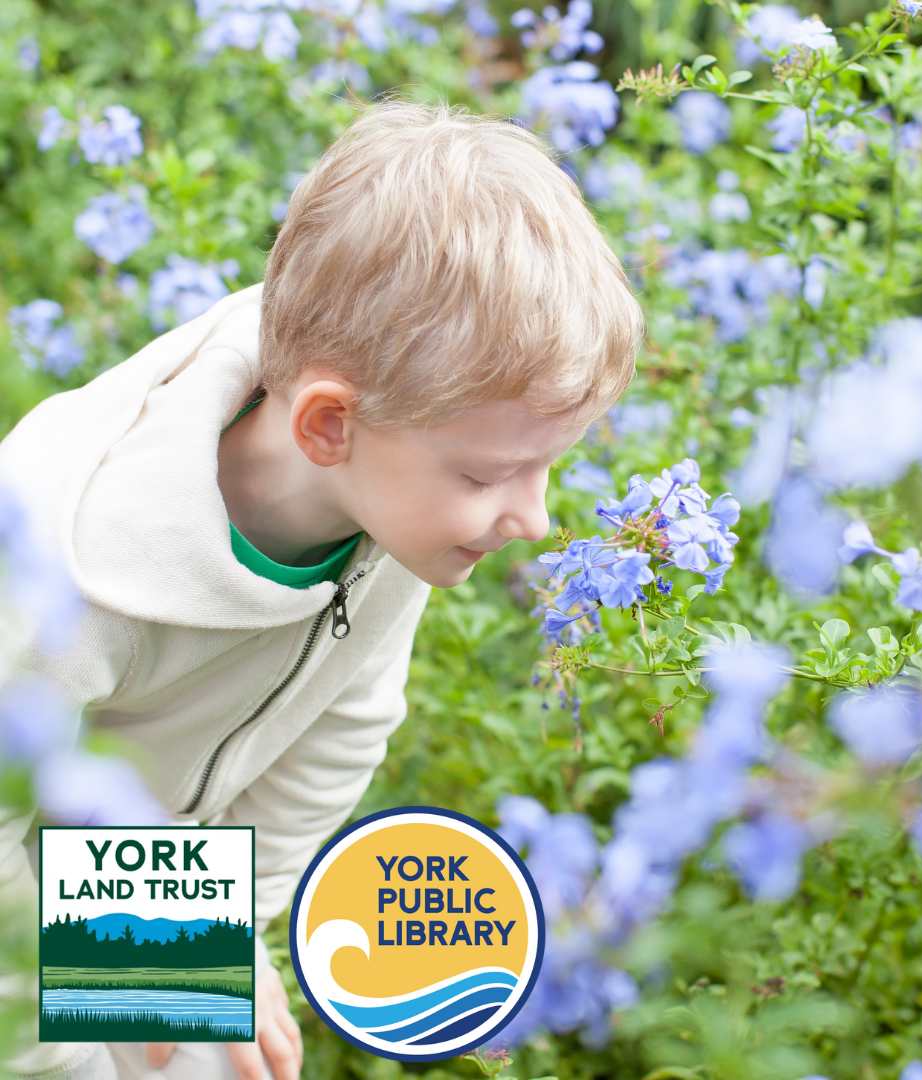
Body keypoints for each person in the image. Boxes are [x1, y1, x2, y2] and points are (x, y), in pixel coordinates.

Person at [0, 101, 643, 1080]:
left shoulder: (380, 493)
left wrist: (221, 937)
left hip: (128, 884)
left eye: (542, 467)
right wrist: (159, 946)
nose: (533, 519)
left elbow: (340, 730)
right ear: (327, 426)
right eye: (484, 476)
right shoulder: (69, 555)